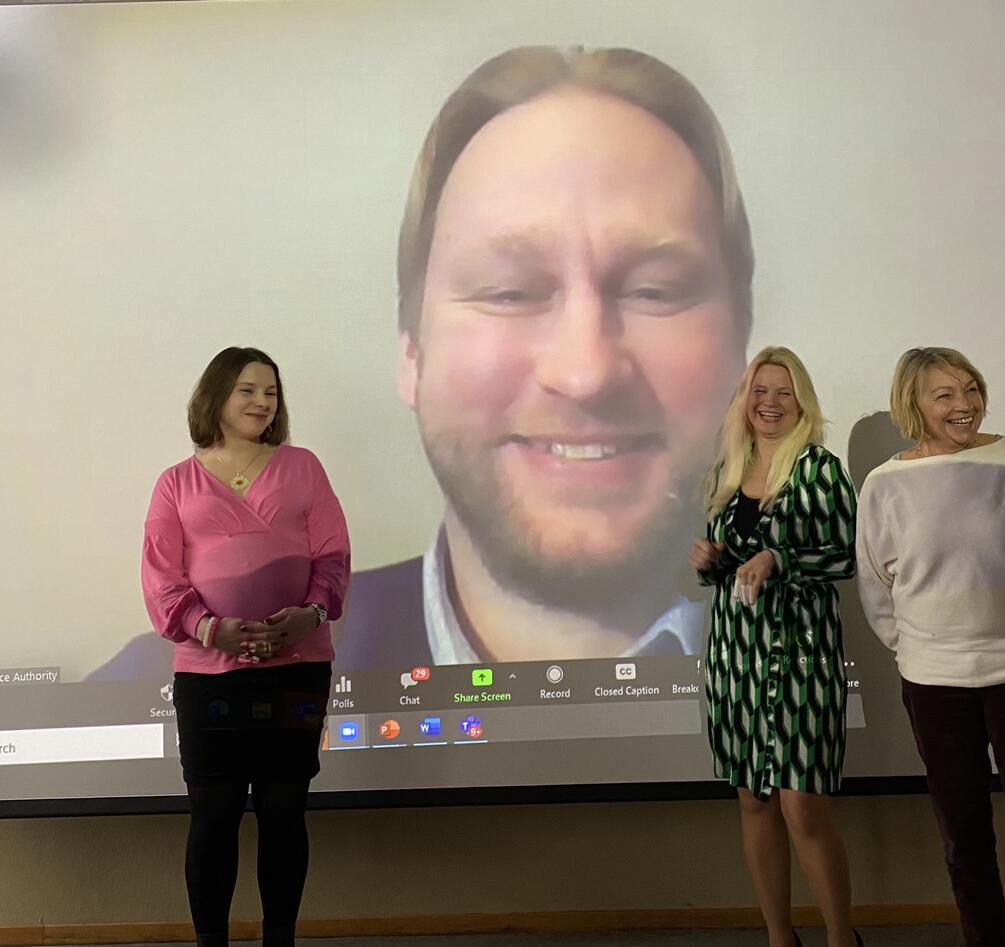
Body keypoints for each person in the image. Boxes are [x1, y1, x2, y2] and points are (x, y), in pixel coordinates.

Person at [90, 43, 754, 679]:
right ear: (411, 350)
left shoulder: (847, 650)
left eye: (657, 291)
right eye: (509, 291)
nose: (585, 372)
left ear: (741, 345)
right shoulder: (157, 688)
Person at [856, 347, 1005, 947]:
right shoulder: (884, 485)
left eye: (971, 389)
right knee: (965, 847)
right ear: (914, 404)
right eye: (945, 395)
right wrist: (923, 652)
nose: (965, 405)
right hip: (936, 687)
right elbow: (878, 587)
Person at [141, 346, 350, 947]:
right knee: (214, 813)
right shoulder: (175, 484)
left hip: (298, 670)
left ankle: (278, 939)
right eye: (248, 391)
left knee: (285, 811)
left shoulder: (303, 467)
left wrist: (308, 617)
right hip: (207, 675)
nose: (263, 403)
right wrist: (212, 630)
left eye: (272, 393)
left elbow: (333, 554)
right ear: (216, 397)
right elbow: (161, 577)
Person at [690, 347, 860, 947]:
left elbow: (846, 554)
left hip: (802, 657)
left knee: (801, 808)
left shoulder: (819, 468)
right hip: (736, 657)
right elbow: (727, 572)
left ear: (801, 402)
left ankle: (843, 939)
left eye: (783, 392)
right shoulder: (727, 472)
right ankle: (779, 937)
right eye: (759, 390)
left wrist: (778, 556)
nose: (769, 402)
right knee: (754, 802)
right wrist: (710, 562)